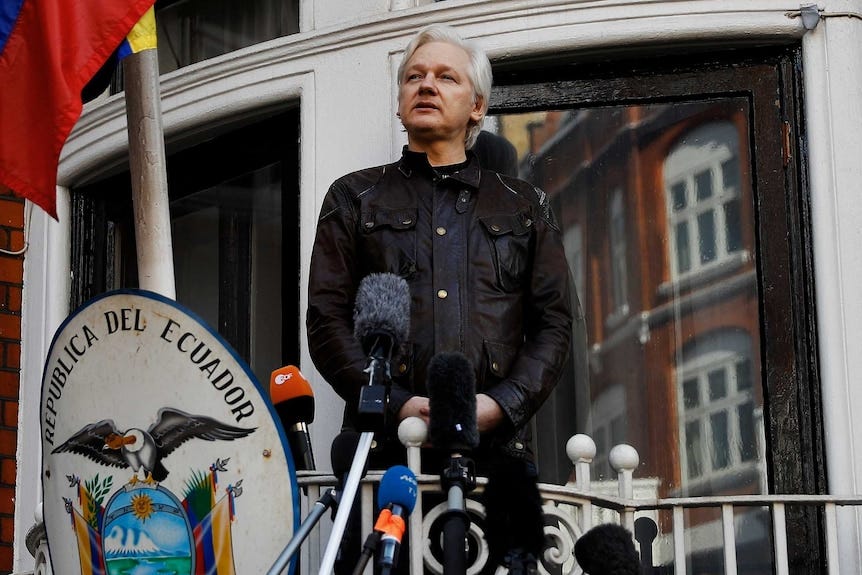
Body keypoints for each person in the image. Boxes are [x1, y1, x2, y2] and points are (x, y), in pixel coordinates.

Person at [307, 24, 577, 574]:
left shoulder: (524, 205)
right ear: (401, 101)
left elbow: (554, 324)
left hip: (497, 461)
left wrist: (500, 405)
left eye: (445, 76)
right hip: (383, 459)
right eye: (414, 76)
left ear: (477, 106)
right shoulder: (353, 197)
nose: (426, 85)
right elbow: (326, 321)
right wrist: (397, 402)